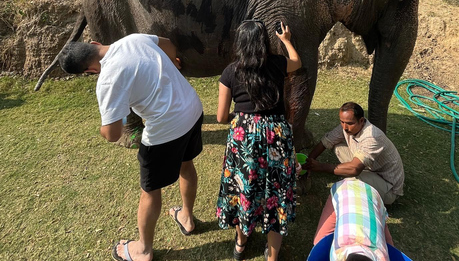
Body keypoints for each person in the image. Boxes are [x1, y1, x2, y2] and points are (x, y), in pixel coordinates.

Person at [58, 33, 204, 261]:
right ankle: (186, 217)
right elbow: (168, 44)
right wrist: (173, 62)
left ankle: (143, 249)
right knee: (186, 165)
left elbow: (112, 133)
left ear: (89, 72)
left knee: (150, 191)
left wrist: (107, 126)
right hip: (193, 108)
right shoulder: (133, 39)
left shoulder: (106, 80)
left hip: (166, 127)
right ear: (95, 44)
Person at [215, 20, 302, 261]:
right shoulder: (277, 64)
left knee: (245, 188)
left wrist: (242, 119)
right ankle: (272, 256)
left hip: (245, 136)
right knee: (277, 190)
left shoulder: (230, 72)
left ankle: (240, 245)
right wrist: (286, 40)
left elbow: (222, 117)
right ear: (264, 41)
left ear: (239, 43)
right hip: (277, 134)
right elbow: (298, 62)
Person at [303, 102, 404, 205]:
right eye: (342, 122)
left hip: (388, 188)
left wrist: (321, 167)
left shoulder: (372, 137)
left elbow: (354, 169)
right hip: (369, 169)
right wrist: (309, 162)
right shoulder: (347, 126)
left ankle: (362, 186)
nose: (345, 127)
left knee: (352, 176)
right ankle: (352, 173)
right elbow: (326, 141)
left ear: (361, 121)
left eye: (349, 123)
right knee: (338, 147)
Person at [313, 178, 394, 261]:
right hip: (344, 191)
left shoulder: (383, 257)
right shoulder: (337, 254)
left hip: (371, 196)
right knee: (319, 242)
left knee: (387, 244)